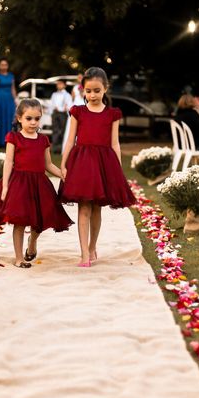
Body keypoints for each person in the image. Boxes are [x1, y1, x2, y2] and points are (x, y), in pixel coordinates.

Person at [0, 98, 72, 268]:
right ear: (19, 118)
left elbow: (48, 164)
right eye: (29, 118)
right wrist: (6, 186)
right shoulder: (14, 138)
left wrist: (63, 175)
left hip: (39, 184)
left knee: (40, 220)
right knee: (20, 221)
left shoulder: (43, 140)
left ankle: (32, 244)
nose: (33, 122)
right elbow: (8, 162)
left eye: (37, 118)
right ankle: (18, 258)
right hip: (20, 184)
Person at [60, 67, 136, 267]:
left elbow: (115, 143)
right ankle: (84, 253)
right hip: (82, 164)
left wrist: (117, 169)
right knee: (83, 207)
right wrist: (63, 164)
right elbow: (70, 141)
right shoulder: (78, 112)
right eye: (88, 91)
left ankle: (93, 246)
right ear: (83, 90)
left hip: (103, 163)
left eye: (96, 90)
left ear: (105, 89)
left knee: (96, 209)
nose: (92, 95)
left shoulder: (112, 114)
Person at [0, 58, 17, 147]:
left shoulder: (11, 76)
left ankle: (9, 141)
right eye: (2, 64)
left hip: (9, 100)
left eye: (5, 64)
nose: (4, 66)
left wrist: (15, 100)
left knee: (10, 119)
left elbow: (13, 89)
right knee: (0, 119)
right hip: (0, 99)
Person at [49, 79, 73, 153]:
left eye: (60, 84)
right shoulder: (54, 94)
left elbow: (69, 105)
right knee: (55, 130)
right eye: (57, 84)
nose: (58, 85)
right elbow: (51, 104)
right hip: (55, 113)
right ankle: (55, 149)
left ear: (64, 85)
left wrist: (63, 108)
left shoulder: (67, 95)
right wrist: (52, 113)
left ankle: (61, 148)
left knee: (62, 131)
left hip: (63, 114)